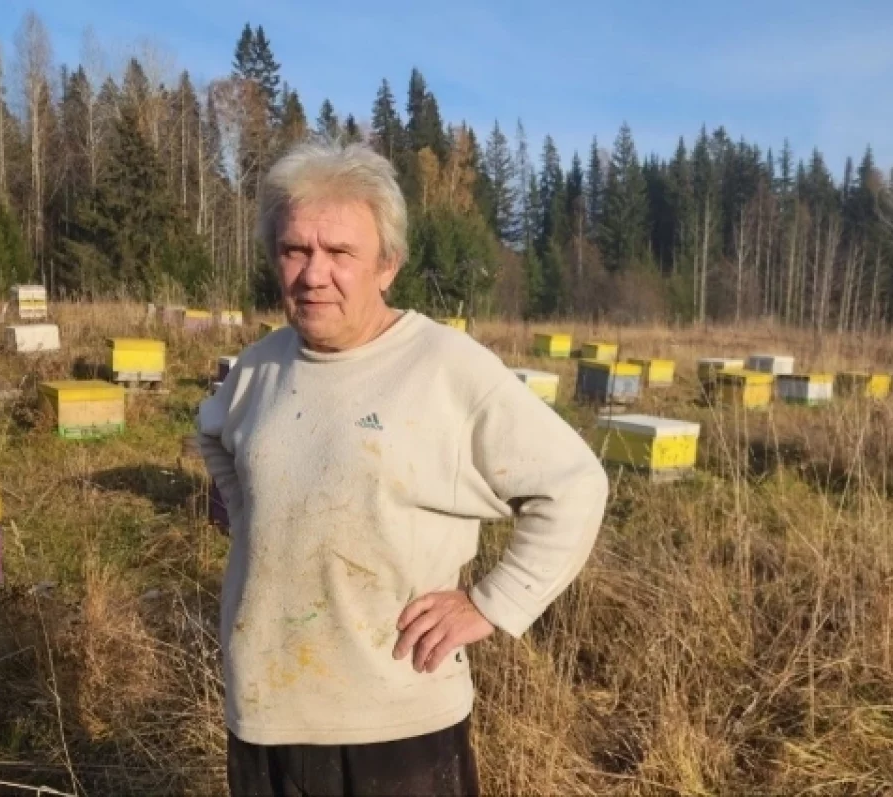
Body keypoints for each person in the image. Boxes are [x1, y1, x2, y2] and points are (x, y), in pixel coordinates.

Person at [197, 139, 608, 797]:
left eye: (340, 253)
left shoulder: (445, 368)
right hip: (267, 709)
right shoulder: (257, 366)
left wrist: (491, 602)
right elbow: (213, 431)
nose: (313, 274)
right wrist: (251, 523)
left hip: (397, 720)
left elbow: (575, 484)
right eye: (295, 249)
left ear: (387, 264)